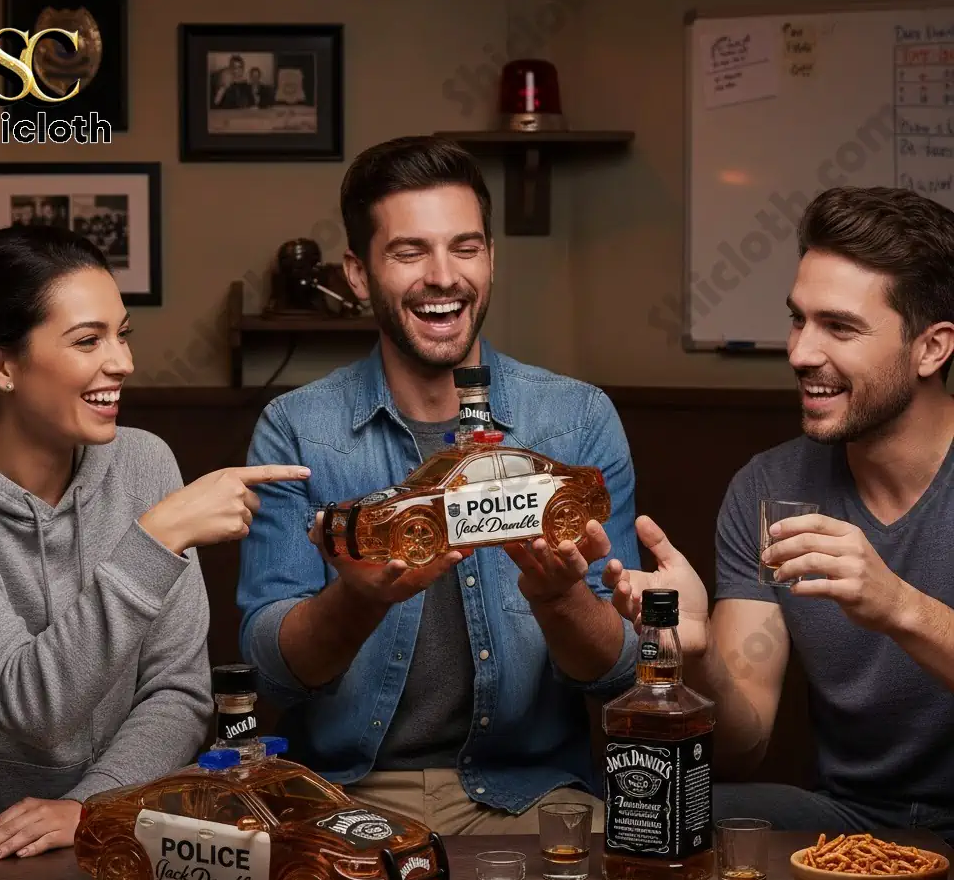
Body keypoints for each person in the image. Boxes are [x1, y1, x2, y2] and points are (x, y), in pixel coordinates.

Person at [237, 135, 641, 835]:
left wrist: (561, 599)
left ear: (490, 259)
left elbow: (619, 673)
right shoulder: (295, 428)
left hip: (535, 794)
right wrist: (354, 603)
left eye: (465, 247)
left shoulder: (575, 419)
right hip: (344, 797)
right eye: (409, 251)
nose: (443, 276)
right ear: (358, 274)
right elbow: (274, 673)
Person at [0, 226, 309, 880]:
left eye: (123, 334)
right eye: (88, 341)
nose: (124, 362)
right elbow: (30, 703)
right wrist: (156, 538)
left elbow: (178, 688)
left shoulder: (143, 464)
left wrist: (90, 805)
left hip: (123, 832)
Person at [605, 186, 954, 843]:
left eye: (839, 327)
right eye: (799, 319)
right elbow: (741, 748)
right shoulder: (769, 485)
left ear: (931, 349)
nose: (799, 353)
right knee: (670, 811)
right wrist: (698, 656)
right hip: (853, 821)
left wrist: (897, 605)